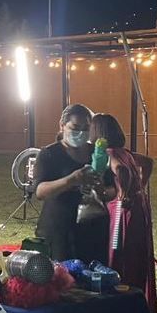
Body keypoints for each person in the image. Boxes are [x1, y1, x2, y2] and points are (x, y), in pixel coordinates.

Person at [89, 113, 157, 313]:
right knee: (137, 255)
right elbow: (148, 162)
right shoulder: (125, 152)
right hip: (138, 208)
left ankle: (120, 309)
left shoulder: (110, 153)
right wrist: (140, 187)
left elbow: (120, 169)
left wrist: (123, 192)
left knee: (119, 255)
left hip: (122, 210)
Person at [32, 103, 113, 264]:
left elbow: (112, 190)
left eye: (86, 128)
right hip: (59, 231)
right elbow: (40, 191)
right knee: (63, 276)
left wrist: (100, 188)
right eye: (75, 128)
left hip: (93, 230)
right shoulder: (49, 154)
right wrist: (71, 180)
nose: (81, 133)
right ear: (62, 126)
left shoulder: (97, 153)